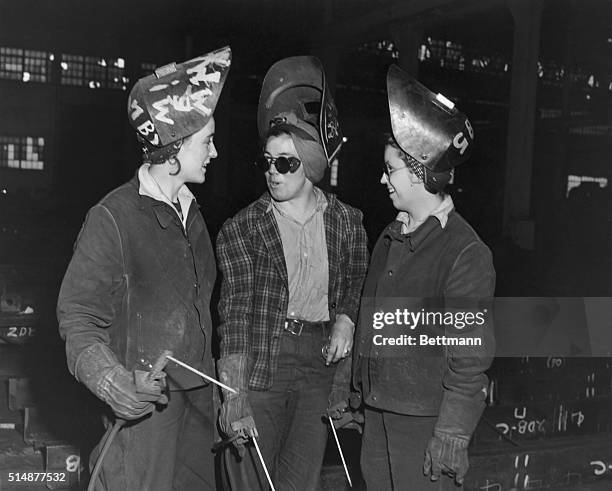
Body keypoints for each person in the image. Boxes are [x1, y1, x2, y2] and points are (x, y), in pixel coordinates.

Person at [57, 46, 231, 490]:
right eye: (206, 141)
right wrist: (112, 381)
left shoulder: (192, 213)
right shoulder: (112, 217)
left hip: (196, 411)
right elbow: (78, 319)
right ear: (173, 151)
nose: (215, 151)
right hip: (145, 415)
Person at [215, 56, 368, 490]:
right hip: (266, 356)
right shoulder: (242, 229)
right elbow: (236, 314)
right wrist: (234, 394)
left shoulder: (346, 222)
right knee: (253, 479)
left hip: (318, 364)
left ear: (310, 165)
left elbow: (357, 277)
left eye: (286, 163)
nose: (273, 172)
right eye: (268, 162)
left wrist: (346, 317)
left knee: (300, 480)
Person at [353, 65, 495, 489]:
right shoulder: (390, 236)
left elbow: (469, 359)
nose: (383, 179)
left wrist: (452, 432)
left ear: (419, 172)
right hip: (379, 417)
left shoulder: (464, 253)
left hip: (427, 427)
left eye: (390, 169)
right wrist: (356, 391)